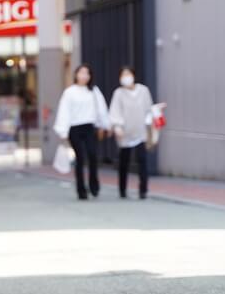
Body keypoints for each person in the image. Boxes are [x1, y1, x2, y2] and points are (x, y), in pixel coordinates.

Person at [54, 64, 110, 199]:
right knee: (80, 157)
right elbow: (64, 111)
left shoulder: (94, 91)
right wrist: (63, 131)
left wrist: (105, 125)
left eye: (87, 73)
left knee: (92, 155)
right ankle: (81, 189)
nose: (84, 76)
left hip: (90, 127)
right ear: (76, 75)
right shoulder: (69, 92)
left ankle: (93, 184)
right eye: (81, 73)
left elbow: (101, 109)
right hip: (74, 128)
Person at [108, 66, 157, 199]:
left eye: (128, 74)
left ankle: (143, 189)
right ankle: (122, 189)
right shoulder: (118, 93)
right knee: (124, 161)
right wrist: (117, 126)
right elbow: (115, 111)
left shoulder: (143, 91)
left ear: (134, 75)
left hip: (140, 131)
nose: (126, 77)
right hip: (125, 132)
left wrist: (151, 121)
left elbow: (149, 109)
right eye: (123, 75)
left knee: (142, 159)